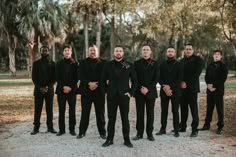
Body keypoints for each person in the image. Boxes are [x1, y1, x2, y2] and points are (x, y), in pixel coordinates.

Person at [101, 45, 137, 148]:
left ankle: (127, 140)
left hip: (124, 96)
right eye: (116, 51)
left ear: (123, 53)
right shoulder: (108, 65)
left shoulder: (128, 65)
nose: (118, 53)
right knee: (111, 119)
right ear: (113, 53)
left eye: (120, 51)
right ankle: (109, 139)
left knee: (125, 119)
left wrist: (131, 93)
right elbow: (102, 79)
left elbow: (135, 81)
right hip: (111, 96)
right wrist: (106, 91)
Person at [77, 45, 106, 139]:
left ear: (97, 51)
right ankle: (81, 132)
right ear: (88, 51)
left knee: (100, 113)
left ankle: (102, 133)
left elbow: (104, 76)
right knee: (85, 113)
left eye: (94, 50)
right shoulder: (82, 62)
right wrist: (89, 83)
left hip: (99, 91)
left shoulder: (104, 62)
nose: (92, 52)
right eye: (91, 50)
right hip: (86, 91)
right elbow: (80, 75)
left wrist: (96, 84)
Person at [132, 45, 159, 141]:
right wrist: (140, 88)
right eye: (144, 50)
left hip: (151, 92)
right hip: (139, 92)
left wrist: (148, 88)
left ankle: (149, 134)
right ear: (141, 52)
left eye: (147, 50)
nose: (145, 51)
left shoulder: (155, 63)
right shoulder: (136, 63)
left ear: (150, 52)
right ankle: (139, 133)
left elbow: (156, 77)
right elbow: (134, 78)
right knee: (140, 113)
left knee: (150, 113)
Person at [156, 47, 183, 137]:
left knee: (175, 110)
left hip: (175, 91)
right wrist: (165, 87)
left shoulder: (179, 64)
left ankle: (176, 130)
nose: (170, 53)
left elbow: (180, 78)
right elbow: (159, 77)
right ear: (166, 53)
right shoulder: (161, 64)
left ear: (174, 53)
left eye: (172, 51)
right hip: (164, 90)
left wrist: (170, 87)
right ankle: (163, 129)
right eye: (169, 51)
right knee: (164, 111)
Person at [200, 50, 228, 134]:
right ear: (213, 56)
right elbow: (206, 77)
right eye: (215, 54)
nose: (216, 56)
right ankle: (206, 125)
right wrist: (208, 85)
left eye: (218, 54)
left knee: (220, 109)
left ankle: (220, 127)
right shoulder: (210, 65)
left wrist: (214, 86)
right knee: (209, 108)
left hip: (218, 91)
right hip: (210, 91)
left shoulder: (223, 66)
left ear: (221, 56)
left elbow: (223, 78)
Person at [31, 44, 57, 135]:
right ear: (40, 52)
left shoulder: (53, 64)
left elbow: (54, 78)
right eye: (43, 50)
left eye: (46, 50)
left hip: (49, 90)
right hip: (38, 90)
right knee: (37, 109)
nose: (44, 52)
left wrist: (47, 87)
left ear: (48, 52)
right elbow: (34, 78)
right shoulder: (36, 63)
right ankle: (36, 128)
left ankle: (50, 127)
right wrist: (40, 87)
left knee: (49, 109)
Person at [179, 44, 204, 137]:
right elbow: (179, 73)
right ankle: (182, 127)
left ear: (193, 50)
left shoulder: (199, 60)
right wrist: (181, 82)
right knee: (183, 108)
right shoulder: (181, 61)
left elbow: (196, 74)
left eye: (190, 49)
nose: (188, 50)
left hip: (192, 89)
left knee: (193, 109)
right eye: (187, 49)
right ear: (185, 50)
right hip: (182, 89)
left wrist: (186, 82)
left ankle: (194, 129)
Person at [55, 44, 78, 136]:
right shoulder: (58, 64)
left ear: (71, 52)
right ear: (63, 52)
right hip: (61, 90)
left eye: (68, 50)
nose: (67, 52)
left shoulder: (75, 63)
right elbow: (57, 77)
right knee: (61, 110)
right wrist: (63, 87)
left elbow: (77, 77)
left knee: (72, 110)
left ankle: (72, 129)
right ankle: (62, 130)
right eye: (65, 50)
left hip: (72, 90)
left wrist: (70, 87)